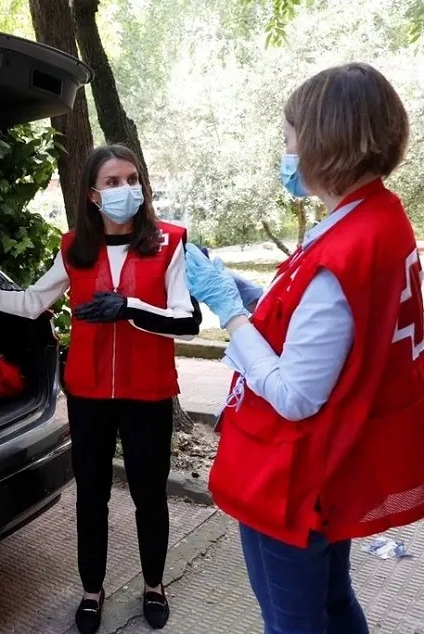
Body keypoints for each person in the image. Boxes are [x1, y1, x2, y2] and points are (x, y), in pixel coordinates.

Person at [185, 62, 424, 634]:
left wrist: (231, 311)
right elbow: (333, 321)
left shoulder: (345, 247)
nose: (285, 150)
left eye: (288, 135)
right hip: (332, 462)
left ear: (324, 140)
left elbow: (295, 393)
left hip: (294, 473)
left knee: (293, 623)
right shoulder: (378, 217)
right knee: (333, 604)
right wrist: (258, 296)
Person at [0, 144, 201, 632]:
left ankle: (153, 586)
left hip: (149, 394)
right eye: (113, 183)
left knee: (149, 495)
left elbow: (185, 320)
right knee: (91, 497)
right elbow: (32, 302)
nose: (125, 190)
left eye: (132, 179)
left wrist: (130, 309)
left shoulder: (169, 242)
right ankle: (91, 592)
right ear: (94, 195)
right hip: (90, 395)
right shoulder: (74, 247)